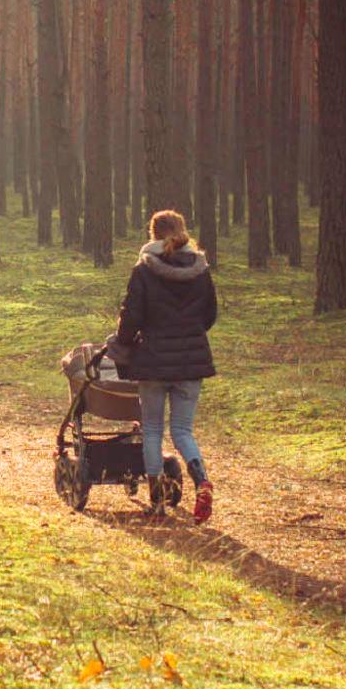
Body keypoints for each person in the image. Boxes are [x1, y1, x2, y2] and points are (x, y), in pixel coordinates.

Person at [114, 209, 216, 522]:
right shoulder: (200, 269)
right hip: (191, 364)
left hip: (154, 361)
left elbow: (132, 317)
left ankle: (157, 500)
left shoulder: (144, 270)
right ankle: (202, 480)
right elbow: (210, 315)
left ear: (153, 235)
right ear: (182, 231)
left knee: (154, 429)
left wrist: (124, 343)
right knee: (183, 430)